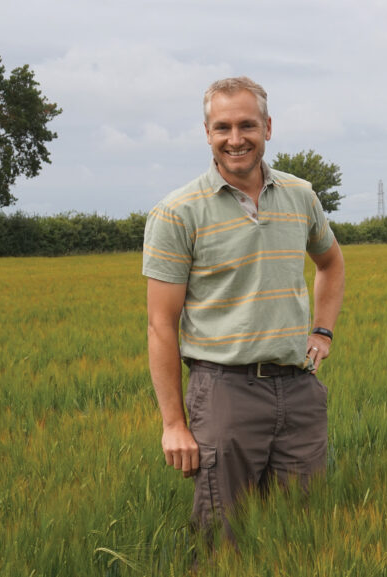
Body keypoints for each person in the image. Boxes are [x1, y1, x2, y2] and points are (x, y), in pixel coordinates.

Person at [142, 76, 345, 565]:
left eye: (247, 125)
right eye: (223, 127)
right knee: (221, 540)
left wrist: (322, 330)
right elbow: (160, 325)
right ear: (207, 133)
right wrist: (174, 424)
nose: (236, 138)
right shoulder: (178, 212)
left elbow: (331, 263)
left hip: (299, 390)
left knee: (298, 534)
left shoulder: (300, 196)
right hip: (225, 393)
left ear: (268, 127)